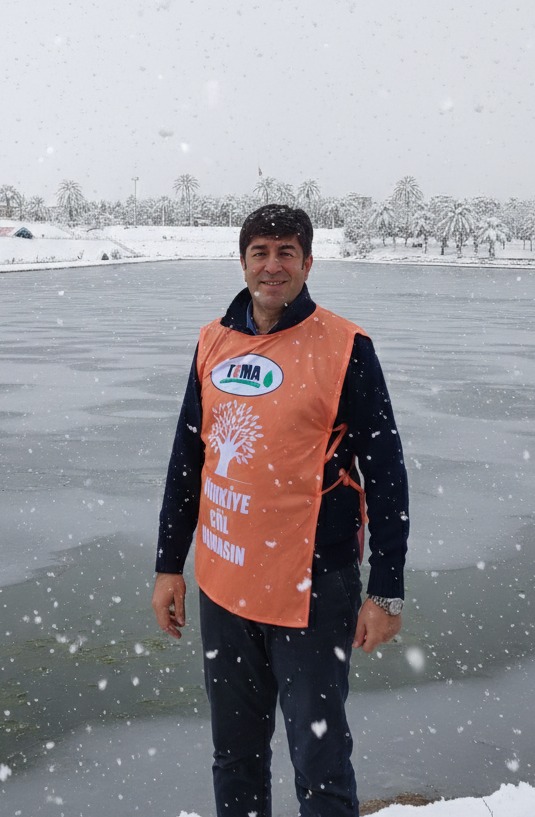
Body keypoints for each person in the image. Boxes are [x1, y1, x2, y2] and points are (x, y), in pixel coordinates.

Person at [152, 204, 409, 817]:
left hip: (312, 589)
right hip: (224, 586)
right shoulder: (213, 343)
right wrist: (168, 565)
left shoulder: (345, 347)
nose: (273, 266)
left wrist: (387, 590)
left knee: (320, 764)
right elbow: (189, 458)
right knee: (235, 756)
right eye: (260, 253)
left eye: (286, 252)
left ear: (308, 263)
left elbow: (386, 473)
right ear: (242, 263)